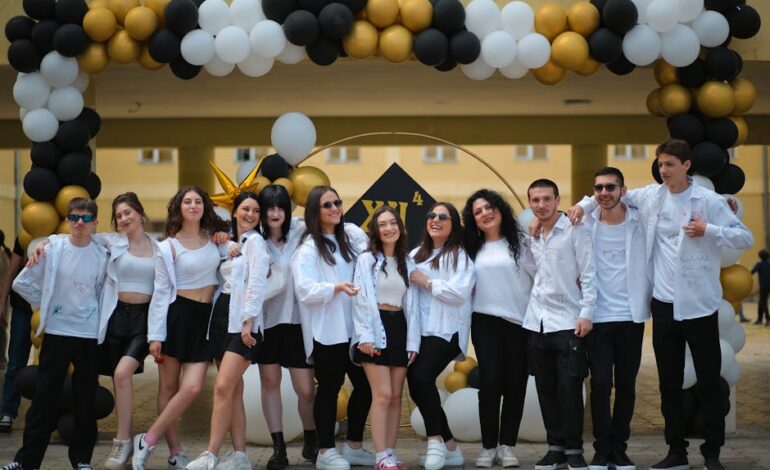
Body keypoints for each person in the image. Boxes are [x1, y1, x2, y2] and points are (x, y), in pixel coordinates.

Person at [569, 139, 753, 470]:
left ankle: (712, 453)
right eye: (660, 164)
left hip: (700, 305)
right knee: (668, 383)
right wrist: (583, 204)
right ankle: (676, 451)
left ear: (686, 166)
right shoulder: (651, 196)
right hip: (664, 305)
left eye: (669, 164)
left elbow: (744, 237)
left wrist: (708, 229)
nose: (663, 170)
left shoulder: (709, 201)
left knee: (710, 382)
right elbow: (609, 193)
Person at [27, 193, 162, 470]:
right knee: (112, 379)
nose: (124, 218)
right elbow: (72, 239)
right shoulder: (111, 241)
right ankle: (121, 446)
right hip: (113, 318)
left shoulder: (160, 247)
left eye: (128, 212)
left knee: (121, 374)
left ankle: (124, 443)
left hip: (142, 320)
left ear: (140, 213)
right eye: (119, 215)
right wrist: (42, 243)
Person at [2, 197, 108, 470]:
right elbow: (22, 283)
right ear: (67, 220)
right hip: (58, 333)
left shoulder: (102, 253)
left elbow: (123, 240)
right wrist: (48, 305)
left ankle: (82, 460)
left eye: (86, 218)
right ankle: (26, 462)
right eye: (74, 217)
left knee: (85, 398)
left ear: (95, 222)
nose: (79, 223)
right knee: (44, 399)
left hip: (88, 335)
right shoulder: (54, 247)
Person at [132, 186, 229, 470]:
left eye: (198, 201)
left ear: (205, 207)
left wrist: (227, 239)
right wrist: (155, 336)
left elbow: (236, 251)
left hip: (204, 318)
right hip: (177, 317)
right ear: (179, 207)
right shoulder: (167, 247)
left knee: (193, 387)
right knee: (169, 387)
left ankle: (147, 439)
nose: (193, 205)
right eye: (187, 201)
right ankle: (175, 452)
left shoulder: (216, 240)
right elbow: (161, 293)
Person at [186, 191, 270, 470]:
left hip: (243, 324)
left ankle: (210, 454)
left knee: (222, 387)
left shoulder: (257, 242)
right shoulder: (233, 241)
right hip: (222, 317)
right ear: (234, 212)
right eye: (245, 209)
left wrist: (249, 322)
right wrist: (225, 240)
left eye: (256, 211)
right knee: (232, 390)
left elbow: (257, 284)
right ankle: (240, 455)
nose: (250, 214)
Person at [292, 186, 373, 470]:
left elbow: (372, 261)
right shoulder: (309, 248)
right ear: (315, 210)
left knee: (365, 386)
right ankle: (325, 451)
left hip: (356, 329)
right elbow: (304, 289)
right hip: (328, 330)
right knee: (329, 389)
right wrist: (335, 288)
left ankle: (353, 445)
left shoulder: (350, 236)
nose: (335, 208)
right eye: (327, 205)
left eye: (337, 202)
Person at [578, 168, 649, 470]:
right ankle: (601, 449)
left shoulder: (640, 220)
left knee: (627, 385)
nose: (604, 193)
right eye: (598, 188)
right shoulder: (585, 224)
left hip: (631, 317)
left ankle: (619, 448)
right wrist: (583, 205)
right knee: (601, 383)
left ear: (623, 190)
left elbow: (668, 198)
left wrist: (726, 202)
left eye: (610, 187)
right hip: (598, 318)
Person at [524, 179, 595, 470]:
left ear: (557, 199)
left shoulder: (575, 230)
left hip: (568, 321)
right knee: (546, 389)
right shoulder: (533, 234)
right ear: (530, 203)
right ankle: (555, 447)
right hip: (537, 321)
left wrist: (586, 313)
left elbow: (589, 274)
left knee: (570, 389)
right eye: (535, 200)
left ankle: (574, 449)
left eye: (546, 199)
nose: (541, 205)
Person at [462, 189, 535, 469]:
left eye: (490, 207)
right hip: (485, 322)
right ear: (473, 220)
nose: (485, 213)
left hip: (519, 323)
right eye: (478, 211)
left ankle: (507, 447)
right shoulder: (470, 248)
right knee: (490, 383)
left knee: (515, 385)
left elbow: (542, 276)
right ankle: (488, 447)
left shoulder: (523, 243)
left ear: (501, 210)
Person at [407, 202, 475, 470]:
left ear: (453, 225)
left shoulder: (459, 256)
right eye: (431, 215)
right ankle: (450, 447)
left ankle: (435, 441)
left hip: (447, 331)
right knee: (416, 383)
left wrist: (426, 282)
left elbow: (459, 293)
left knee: (421, 377)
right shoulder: (414, 254)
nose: (435, 219)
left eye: (443, 217)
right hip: (419, 332)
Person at [352, 206, 420, 470]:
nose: (389, 228)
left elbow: (413, 307)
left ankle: (390, 452)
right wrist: (365, 337)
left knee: (395, 396)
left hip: (399, 328)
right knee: (382, 395)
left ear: (400, 228)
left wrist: (412, 342)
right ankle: (381, 456)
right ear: (376, 230)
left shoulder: (408, 261)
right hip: (374, 327)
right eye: (383, 224)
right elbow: (360, 300)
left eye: (393, 223)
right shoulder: (367, 259)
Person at [255, 185, 318, 470]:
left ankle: (311, 437)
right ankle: (278, 448)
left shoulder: (301, 233)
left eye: (281, 207)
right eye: (270, 208)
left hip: (296, 322)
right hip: (267, 323)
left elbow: (331, 222)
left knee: (306, 389)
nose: (276, 213)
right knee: (270, 384)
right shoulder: (253, 240)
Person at [0, 236, 33, 433]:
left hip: (52, 308)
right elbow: (11, 273)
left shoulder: (60, 235)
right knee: (16, 361)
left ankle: (42, 412)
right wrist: (3, 301)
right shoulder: (24, 238)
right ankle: (9, 411)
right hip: (23, 307)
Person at [751, 249, 770, 326]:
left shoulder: (759, 264)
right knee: (761, 301)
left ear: (760, 256)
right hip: (769, 286)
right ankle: (760, 319)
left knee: (763, 302)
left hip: (763, 286)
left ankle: (767, 319)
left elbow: (751, 272)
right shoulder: (769, 264)